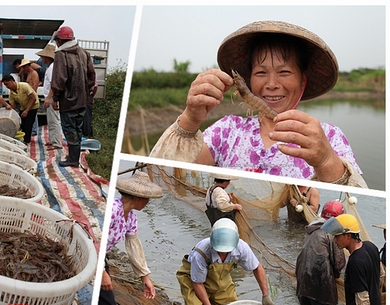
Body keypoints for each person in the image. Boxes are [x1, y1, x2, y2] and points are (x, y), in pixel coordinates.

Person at [151, 22, 366, 187]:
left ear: (303, 81)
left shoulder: (329, 137)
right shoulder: (226, 131)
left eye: (284, 72)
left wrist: (326, 159)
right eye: (261, 73)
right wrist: (190, 119)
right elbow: (168, 177)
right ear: (249, 82)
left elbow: (349, 201)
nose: (271, 84)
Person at [176, 218, 273, 305]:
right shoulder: (202, 252)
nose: (222, 253)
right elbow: (198, 283)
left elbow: (257, 268)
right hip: (193, 280)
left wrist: (265, 294)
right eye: (219, 250)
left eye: (226, 251)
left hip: (220, 279)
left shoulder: (241, 247)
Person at [97, 170, 164, 305]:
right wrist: (102, 272)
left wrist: (145, 278)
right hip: (95, 254)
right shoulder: (111, 210)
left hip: (102, 256)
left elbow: (133, 245)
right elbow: (94, 238)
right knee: (108, 303)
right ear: (139, 198)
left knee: (104, 300)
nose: (148, 202)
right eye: (147, 199)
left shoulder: (132, 217)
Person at [326, 214, 382, 305]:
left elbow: (362, 296)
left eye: (337, 236)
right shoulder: (371, 246)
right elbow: (381, 274)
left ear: (348, 236)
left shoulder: (355, 262)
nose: (335, 240)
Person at [50, 25, 96, 167]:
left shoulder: (61, 54)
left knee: (70, 130)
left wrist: (55, 98)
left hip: (68, 101)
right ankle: (74, 157)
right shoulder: (84, 53)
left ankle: (73, 160)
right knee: (78, 129)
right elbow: (91, 77)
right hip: (82, 100)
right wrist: (90, 95)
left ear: (60, 41)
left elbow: (59, 79)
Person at [295, 203, 346, 305]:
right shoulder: (332, 233)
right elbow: (339, 263)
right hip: (320, 287)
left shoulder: (311, 228)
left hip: (302, 284)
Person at [36, 44, 63, 149]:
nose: (42, 58)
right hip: (51, 96)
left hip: (52, 97)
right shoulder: (50, 67)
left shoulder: (52, 68)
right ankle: (53, 140)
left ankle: (56, 142)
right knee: (51, 120)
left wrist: (48, 98)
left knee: (54, 120)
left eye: (43, 56)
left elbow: (54, 84)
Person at [2, 74, 39, 145]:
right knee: (21, 123)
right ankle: (23, 137)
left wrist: (27, 110)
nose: (7, 86)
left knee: (28, 123)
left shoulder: (24, 86)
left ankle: (26, 141)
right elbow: (13, 106)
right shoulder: (12, 93)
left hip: (33, 105)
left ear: (12, 81)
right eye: (5, 85)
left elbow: (33, 98)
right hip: (23, 107)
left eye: (7, 84)